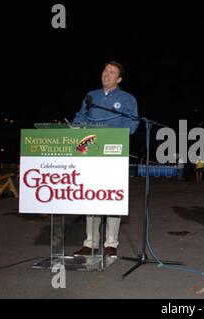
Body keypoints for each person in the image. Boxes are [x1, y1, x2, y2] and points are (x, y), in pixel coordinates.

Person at [72, 61, 139, 257]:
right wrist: (76, 127)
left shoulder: (127, 99)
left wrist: (110, 134)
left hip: (113, 153)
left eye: (111, 72)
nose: (106, 74)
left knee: (111, 197)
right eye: (104, 70)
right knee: (91, 196)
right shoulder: (91, 96)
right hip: (90, 152)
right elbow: (80, 117)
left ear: (118, 79)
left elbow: (132, 124)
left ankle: (111, 243)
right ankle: (90, 242)